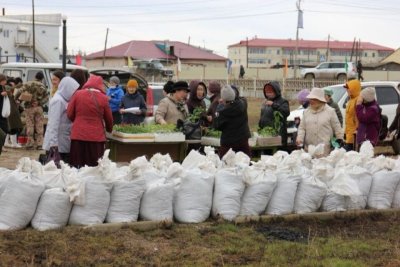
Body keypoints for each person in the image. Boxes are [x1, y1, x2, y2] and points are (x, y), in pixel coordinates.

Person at [67, 75, 113, 168]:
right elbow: (109, 118)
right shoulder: (103, 98)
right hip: (96, 138)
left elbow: (69, 113)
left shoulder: (77, 94)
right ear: (100, 85)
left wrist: (77, 121)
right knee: (94, 167)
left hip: (78, 136)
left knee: (77, 165)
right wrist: (109, 129)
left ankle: (76, 182)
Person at [296, 87, 344, 156]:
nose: (311, 101)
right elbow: (302, 128)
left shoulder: (330, 111)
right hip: (309, 151)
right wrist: (299, 138)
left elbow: (337, 127)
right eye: (310, 99)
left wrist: (339, 139)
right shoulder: (306, 112)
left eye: (314, 99)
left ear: (320, 100)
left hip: (325, 152)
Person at [43, 77, 80, 163]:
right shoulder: (58, 101)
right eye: (73, 90)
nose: (74, 93)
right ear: (67, 88)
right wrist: (54, 144)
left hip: (62, 141)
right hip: (57, 144)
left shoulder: (63, 99)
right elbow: (53, 123)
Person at [213, 85, 251, 158]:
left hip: (228, 143)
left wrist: (219, 107)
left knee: (226, 166)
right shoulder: (243, 103)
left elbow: (217, 126)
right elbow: (240, 99)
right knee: (245, 163)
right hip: (243, 140)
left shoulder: (221, 111)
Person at [14, 71, 49, 150]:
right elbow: (47, 98)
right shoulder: (43, 86)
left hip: (29, 107)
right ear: (42, 78)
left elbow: (19, 91)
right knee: (39, 125)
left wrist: (16, 99)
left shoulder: (28, 83)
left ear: (35, 77)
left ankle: (30, 143)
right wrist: (39, 102)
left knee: (30, 125)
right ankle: (40, 144)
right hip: (39, 107)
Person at [258, 81, 290, 146]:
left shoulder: (283, 101)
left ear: (276, 91)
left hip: (278, 135)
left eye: (270, 92)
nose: (268, 94)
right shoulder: (266, 102)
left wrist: (273, 105)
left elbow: (286, 112)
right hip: (266, 134)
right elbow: (263, 116)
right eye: (267, 93)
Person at [3, 76, 23, 148]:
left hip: (10, 109)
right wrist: (19, 86)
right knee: (14, 126)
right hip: (10, 110)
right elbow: (11, 90)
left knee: (10, 127)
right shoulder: (7, 87)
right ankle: (14, 143)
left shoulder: (7, 89)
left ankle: (6, 142)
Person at [344, 79, 361, 151]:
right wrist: (345, 132)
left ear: (353, 89)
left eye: (348, 89)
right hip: (349, 134)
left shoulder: (358, 100)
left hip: (354, 134)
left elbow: (358, 118)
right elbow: (348, 119)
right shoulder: (351, 100)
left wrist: (357, 131)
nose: (347, 90)